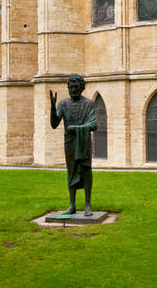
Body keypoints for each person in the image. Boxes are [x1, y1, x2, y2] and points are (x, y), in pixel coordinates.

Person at [49, 74, 97, 215]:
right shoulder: (62, 104)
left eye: (76, 87)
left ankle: (87, 204)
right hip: (70, 143)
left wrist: (76, 128)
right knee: (71, 172)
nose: (73, 89)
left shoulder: (89, 104)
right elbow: (54, 124)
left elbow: (93, 124)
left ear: (81, 88)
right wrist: (52, 107)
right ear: (68, 88)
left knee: (86, 170)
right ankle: (72, 205)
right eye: (71, 87)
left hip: (83, 143)